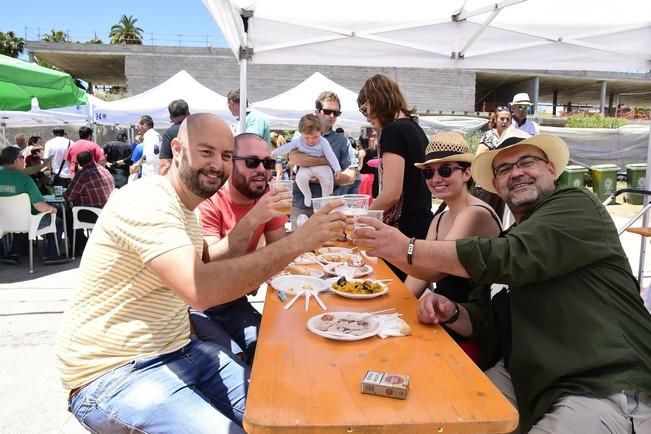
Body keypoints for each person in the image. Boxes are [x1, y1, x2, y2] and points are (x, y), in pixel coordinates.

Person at [55, 113, 345, 433]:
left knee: (290, 414)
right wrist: (298, 243)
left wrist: (279, 234)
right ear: (178, 149)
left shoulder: (186, 210)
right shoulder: (147, 200)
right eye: (206, 152)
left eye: (225, 156)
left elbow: (208, 260)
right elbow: (200, 289)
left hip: (181, 351)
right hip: (113, 373)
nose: (217, 165)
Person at [353, 134, 651, 433]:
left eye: (527, 162)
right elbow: (485, 319)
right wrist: (451, 310)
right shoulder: (505, 235)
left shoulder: (576, 205)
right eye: (504, 169)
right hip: (524, 380)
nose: (516, 172)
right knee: (429, 417)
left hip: (600, 382)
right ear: (496, 184)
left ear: (551, 169)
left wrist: (406, 247)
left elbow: (509, 257)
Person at [192, 132, 290, 363]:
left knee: (273, 352)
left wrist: (317, 234)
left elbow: (280, 248)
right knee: (235, 363)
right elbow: (210, 263)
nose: (262, 170)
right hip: (199, 306)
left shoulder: (266, 196)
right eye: (252, 162)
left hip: (234, 301)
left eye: (268, 163)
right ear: (230, 163)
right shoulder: (209, 198)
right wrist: (255, 217)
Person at [405, 132, 502, 362]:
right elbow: (418, 275)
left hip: (474, 331)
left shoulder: (475, 213)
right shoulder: (440, 217)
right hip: (445, 320)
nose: (436, 178)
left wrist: (394, 246)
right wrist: (389, 308)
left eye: (445, 170)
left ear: (467, 172)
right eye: (429, 172)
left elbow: (436, 267)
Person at [356, 74, 433, 280]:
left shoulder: (393, 131)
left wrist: (361, 221)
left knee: (393, 298)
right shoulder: (415, 128)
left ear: (375, 101)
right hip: (421, 225)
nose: (366, 117)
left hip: (404, 229)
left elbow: (391, 192)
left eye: (365, 109)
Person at [288, 91, 357, 228]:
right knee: (299, 247)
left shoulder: (341, 141)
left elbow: (350, 176)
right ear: (317, 111)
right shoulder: (300, 134)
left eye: (336, 113)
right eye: (327, 111)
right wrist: (327, 162)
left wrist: (325, 177)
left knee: (328, 248)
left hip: (329, 207)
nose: (332, 116)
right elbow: (296, 159)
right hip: (302, 204)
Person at [0, 146, 61, 262]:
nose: (23, 160)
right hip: (27, 222)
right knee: (57, 221)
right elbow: (40, 206)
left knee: (21, 221)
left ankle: (13, 253)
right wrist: (52, 208)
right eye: (22, 157)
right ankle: (51, 255)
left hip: (3, 221)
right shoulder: (25, 180)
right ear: (16, 160)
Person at [272, 114, 341, 207]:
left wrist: (337, 168)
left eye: (315, 137)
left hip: (322, 166)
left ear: (320, 132)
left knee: (327, 179)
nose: (311, 141)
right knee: (300, 178)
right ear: (301, 134)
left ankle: (326, 200)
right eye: (307, 137)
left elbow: (331, 155)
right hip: (306, 167)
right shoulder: (298, 141)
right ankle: (307, 194)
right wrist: (274, 153)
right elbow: (287, 147)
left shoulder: (323, 142)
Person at [64, 151, 115, 253]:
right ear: (92, 158)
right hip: (107, 212)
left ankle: (79, 246)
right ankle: (83, 242)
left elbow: (68, 196)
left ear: (79, 163)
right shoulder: (105, 171)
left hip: (91, 213)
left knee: (68, 215)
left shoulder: (82, 175)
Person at [474, 107, 514, 218]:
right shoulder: (489, 135)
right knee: (484, 217)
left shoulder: (511, 137)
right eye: (502, 118)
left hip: (502, 185)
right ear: (495, 120)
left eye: (508, 119)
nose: (505, 121)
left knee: (498, 219)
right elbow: (479, 159)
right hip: (486, 184)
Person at [159, 99, 190, 175]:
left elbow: (165, 165)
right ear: (189, 113)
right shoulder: (201, 129)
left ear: (171, 118)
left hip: (181, 179)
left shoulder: (169, 134)